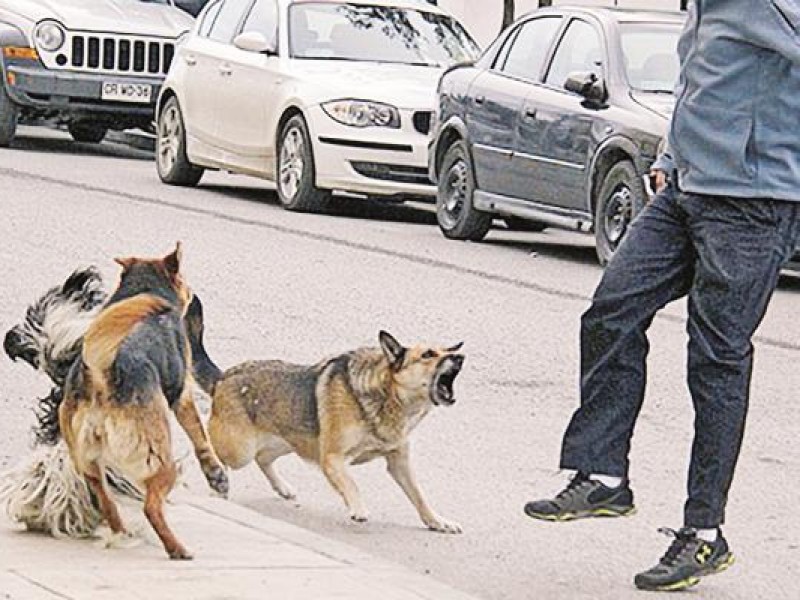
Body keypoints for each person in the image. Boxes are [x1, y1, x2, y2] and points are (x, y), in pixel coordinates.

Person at [523, 0, 800, 592]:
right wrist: (670, 157)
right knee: (611, 310)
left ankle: (704, 534)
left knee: (716, 359)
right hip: (685, 191)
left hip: (754, 202)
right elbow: (697, 85)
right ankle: (602, 474)